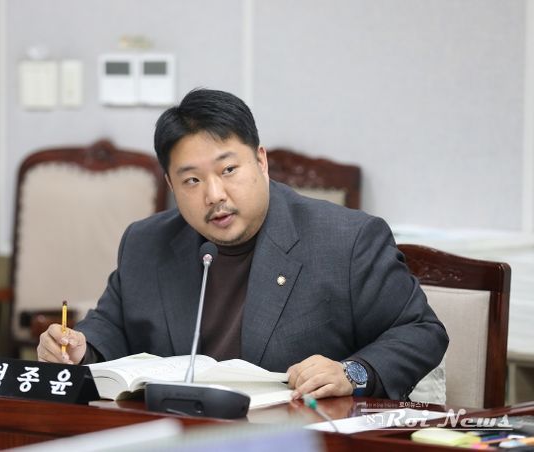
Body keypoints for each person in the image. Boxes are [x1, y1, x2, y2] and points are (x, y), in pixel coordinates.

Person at [37, 88, 448, 401]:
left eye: (229, 170)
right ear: (171, 186)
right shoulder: (146, 243)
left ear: (261, 161)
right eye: (192, 180)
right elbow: (112, 327)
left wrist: (352, 373)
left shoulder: (346, 239)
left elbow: (420, 332)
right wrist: (79, 349)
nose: (214, 194)